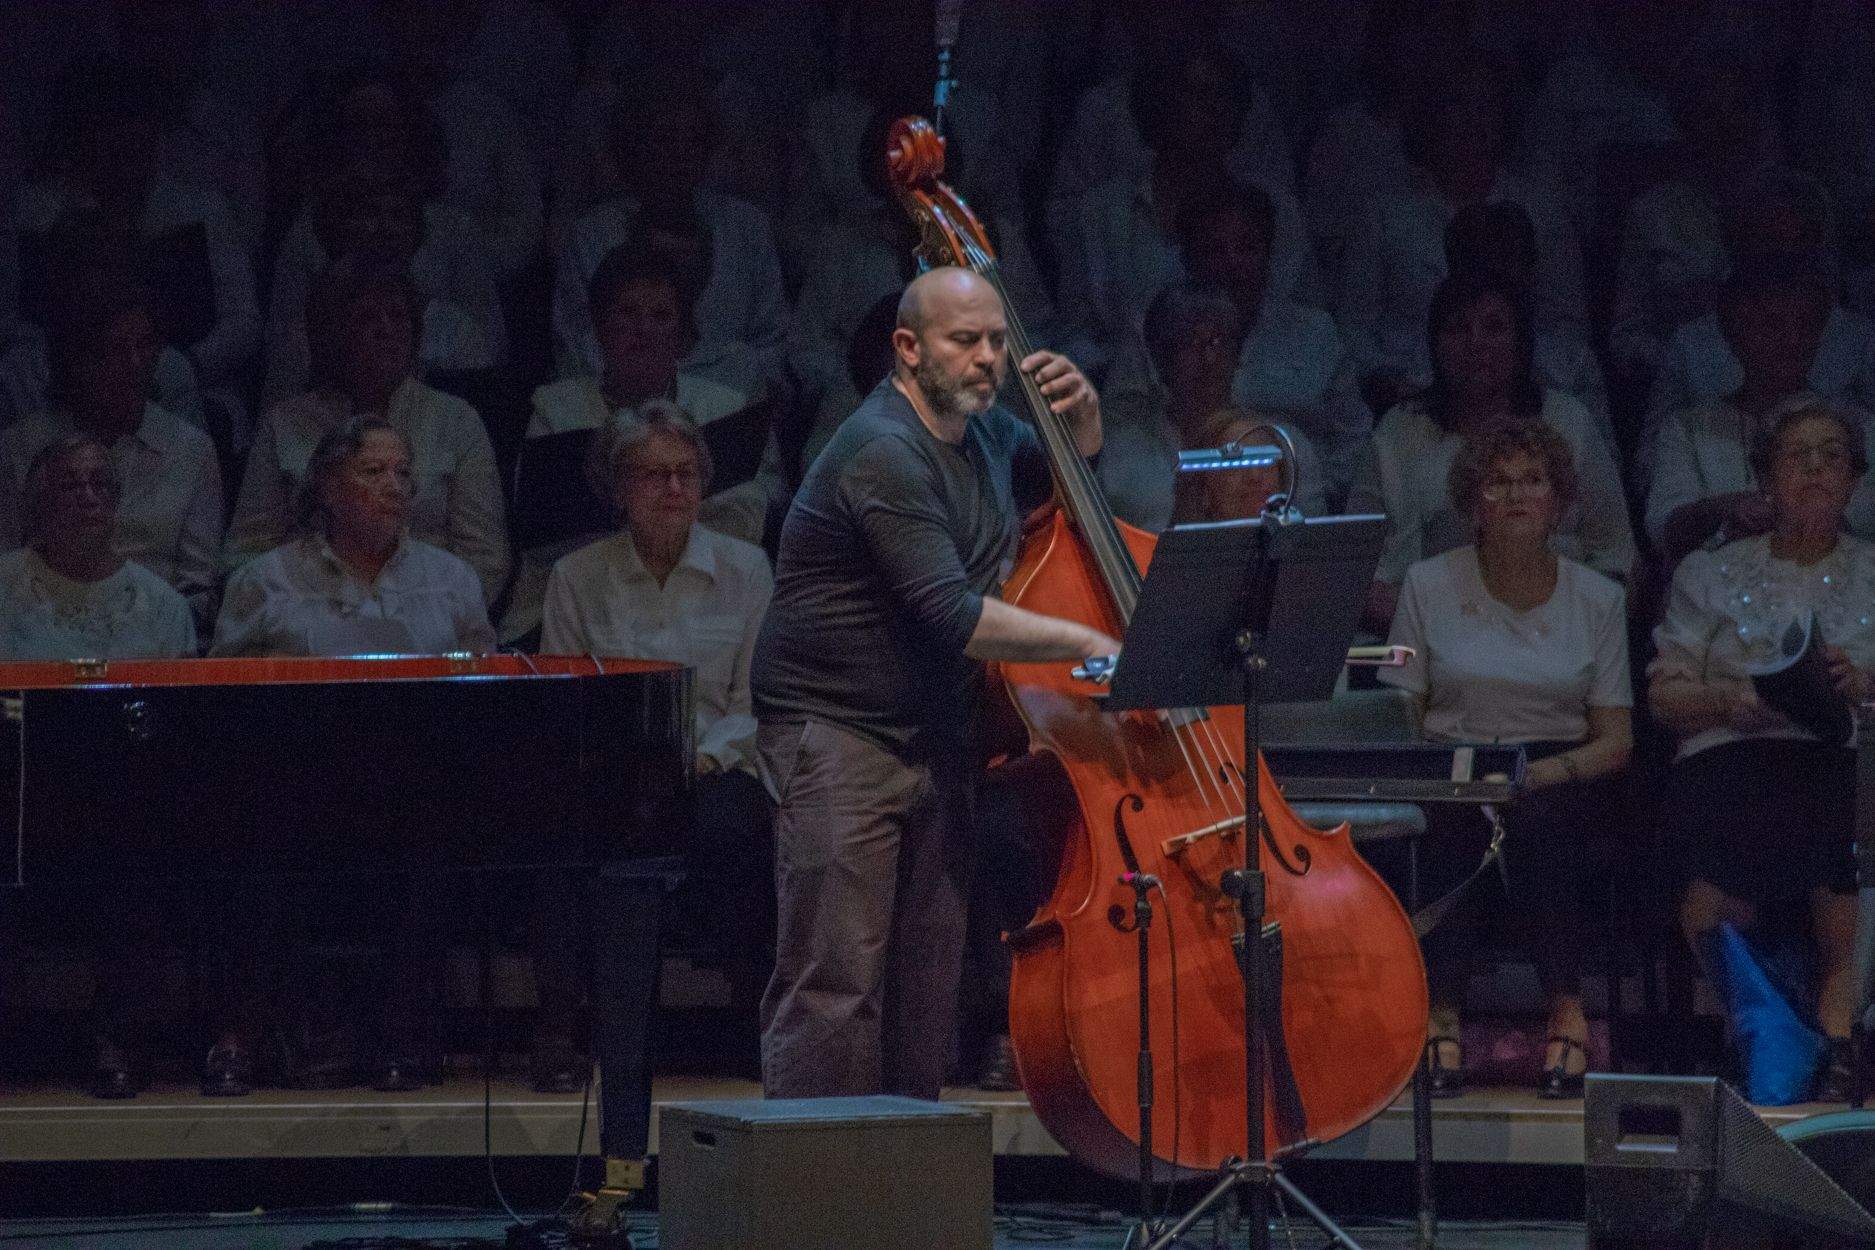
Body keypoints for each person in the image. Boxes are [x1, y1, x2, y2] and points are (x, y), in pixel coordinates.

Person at [751, 266, 1115, 1100]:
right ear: (908, 350)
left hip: (938, 733)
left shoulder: (983, 432)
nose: (988, 359)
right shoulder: (882, 449)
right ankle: (820, 1196)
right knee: (835, 980)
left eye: (995, 340)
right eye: (964, 341)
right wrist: (1089, 640)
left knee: (926, 984)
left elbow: (1062, 496)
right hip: (838, 729)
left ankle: (903, 1185)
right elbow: (952, 613)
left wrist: (1085, 428)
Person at [1382, 421, 1633, 1099]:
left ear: (1558, 500)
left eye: (1533, 479)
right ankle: (1438, 1014)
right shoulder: (1427, 583)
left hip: (1557, 762)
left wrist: (1539, 773)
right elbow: (1402, 715)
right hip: (1449, 757)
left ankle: (1565, 1007)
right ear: (1473, 502)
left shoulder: (1598, 598)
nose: (1516, 493)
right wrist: (1463, 778)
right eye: (1497, 481)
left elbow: (1615, 738)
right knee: (1450, 822)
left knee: (1545, 821)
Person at [537, 403, 774, 1087]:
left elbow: (755, 701)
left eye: (685, 474)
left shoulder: (746, 567)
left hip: (716, 763)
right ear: (618, 491)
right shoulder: (575, 577)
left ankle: (747, 1017)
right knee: (559, 838)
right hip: (612, 770)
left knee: (737, 825)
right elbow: (565, 698)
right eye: (652, 476)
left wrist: (698, 760)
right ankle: (558, 1027)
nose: (674, 490)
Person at [1650, 399, 1875, 1101]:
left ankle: (1828, 1030)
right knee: (1717, 811)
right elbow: (1662, 697)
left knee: (1841, 805)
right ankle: (1771, 1025)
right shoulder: (1709, 572)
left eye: (1830, 455)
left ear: (1853, 480)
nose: (1812, 468)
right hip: (1732, 749)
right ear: (1765, 480)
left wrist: (1863, 682)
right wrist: (1729, 698)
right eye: (1794, 455)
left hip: (1841, 752)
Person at [1348, 273, 1634, 630]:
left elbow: (1614, 556)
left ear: (1521, 341)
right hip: (1422, 632)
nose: (1475, 343)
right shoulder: (1399, 428)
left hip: (1556, 632)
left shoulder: (1567, 420)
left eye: (1494, 327)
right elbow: (1356, 562)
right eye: (1458, 328)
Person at [225, 255, 510, 607]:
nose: (385, 330)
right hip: (307, 623)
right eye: (365, 317)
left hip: (428, 625)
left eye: (397, 316)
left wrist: (420, 619)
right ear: (332, 334)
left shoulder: (456, 421)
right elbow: (245, 553)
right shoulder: (284, 423)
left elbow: (485, 559)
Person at [1338, 50, 1585, 416]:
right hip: (1408, 403)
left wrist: (1522, 381)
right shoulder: (1385, 213)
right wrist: (1390, 384)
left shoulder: (1541, 210)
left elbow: (1567, 322)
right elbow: (1354, 325)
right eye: (1455, 107)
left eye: (1482, 106)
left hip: (1525, 401)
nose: (1469, 121)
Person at [0, 263, 223, 630]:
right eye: (116, 349)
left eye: (145, 345)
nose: (135, 364)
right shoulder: (20, 446)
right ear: (77, 359)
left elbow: (198, 586)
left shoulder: (191, 451)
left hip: (152, 640)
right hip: (39, 634)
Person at [553, 76, 785, 396]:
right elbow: (576, 349)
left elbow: (772, 344)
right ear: (635, 147)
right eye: (665, 139)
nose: (680, 153)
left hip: (730, 400)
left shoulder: (747, 227)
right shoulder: (591, 236)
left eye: (693, 141)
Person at [214, 416, 495, 659]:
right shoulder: (263, 583)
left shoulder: (454, 580)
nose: (395, 487)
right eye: (373, 471)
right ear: (329, 488)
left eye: (404, 472)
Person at [1645, 262, 1855, 569]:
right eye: (1774, 325)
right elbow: (1664, 531)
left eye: (1806, 325)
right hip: (1716, 597)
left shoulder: (1854, 428)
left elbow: (1864, 527)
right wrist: (1726, 509)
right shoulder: (1689, 427)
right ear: (1734, 332)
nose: (1792, 340)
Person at [1097, 282, 1324, 531]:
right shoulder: (1120, 452)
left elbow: (1312, 548)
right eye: (1189, 343)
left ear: (1237, 353)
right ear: (1160, 356)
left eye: (1217, 342)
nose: (1207, 358)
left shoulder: (1289, 446)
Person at [0, 433, 195, 661]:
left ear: (115, 499)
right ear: (42, 501)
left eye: (100, 483)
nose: (89, 498)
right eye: (69, 485)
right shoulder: (5, 585)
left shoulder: (165, 608)